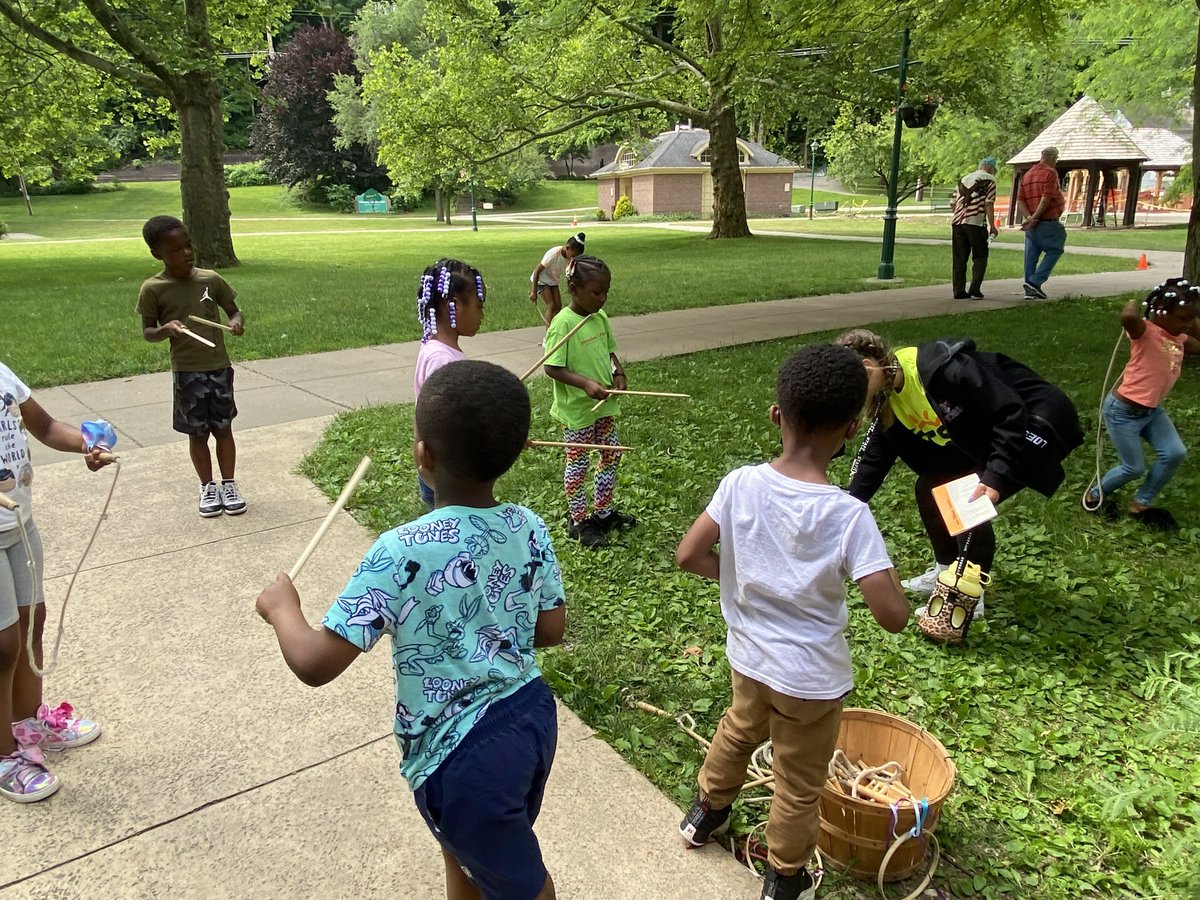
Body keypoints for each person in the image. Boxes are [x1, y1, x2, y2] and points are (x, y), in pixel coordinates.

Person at [256, 360, 566, 900]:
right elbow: (551, 627)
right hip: (530, 719)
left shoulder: (399, 550)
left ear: (423, 455)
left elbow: (315, 663)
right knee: (470, 853)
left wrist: (283, 608)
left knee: (523, 885)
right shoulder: (529, 526)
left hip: (460, 755)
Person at [675, 344, 909, 900]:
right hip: (811, 682)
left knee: (737, 731)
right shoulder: (849, 515)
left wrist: (739, 579)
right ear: (852, 428)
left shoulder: (739, 484)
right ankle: (783, 877)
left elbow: (688, 555)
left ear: (777, 415)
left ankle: (704, 815)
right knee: (799, 786)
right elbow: (893, 615)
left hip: (749, 660)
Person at [838, 329, 1082, 614]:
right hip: (992, 431)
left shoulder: (942, 370)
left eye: (849, 387)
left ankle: (967, 597)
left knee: (964, 499)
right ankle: (946, 572)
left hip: (1037, 420)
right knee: (930, 486)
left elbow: (1009, 411)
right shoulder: (887, 396)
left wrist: (995, 475)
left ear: (867, 369)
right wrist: (848, 505)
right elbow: (876, 456)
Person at [1, 363, 110, 803]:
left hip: (19, 523)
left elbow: (44, 425)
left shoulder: (3, 373)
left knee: (32, 622)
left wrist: (85, 443)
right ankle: (4, 755)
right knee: (1, 645)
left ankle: (26, 721)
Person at [137, 215, 247, 518]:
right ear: (157, 253)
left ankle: (229, 483)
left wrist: (235, 324)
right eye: (175, 250)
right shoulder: (153, 289)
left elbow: (235, 312)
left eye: (188, 246)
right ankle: (207, 486)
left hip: (219, 366)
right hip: (187, 371)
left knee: (223, 429)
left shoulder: (210, 279)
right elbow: (148, 331)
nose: (185, 253)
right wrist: (165, 330)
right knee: (197, 434)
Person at [1086, 279, 1200, 528]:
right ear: (1160, 311)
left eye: (1192, 318)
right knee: (1133, 467)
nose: (1188, 324)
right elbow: (1128, 317)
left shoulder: (1180, 339)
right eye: (1183, 317)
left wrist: (1190, 320)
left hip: (1151, 411)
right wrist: (1138, 301)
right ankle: (1095, 494)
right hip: (1123, 411)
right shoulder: (1145, 332)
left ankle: (1141, 503)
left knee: (1174, 453)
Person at [543, 255, 635, 548]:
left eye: (606, 291)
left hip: (604, 406)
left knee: (611, 454)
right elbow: (551, 367)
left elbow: (609, 352)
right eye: (596, 292)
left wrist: (618, 372)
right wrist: (584, 383)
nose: (602, 298)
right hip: (578, 412)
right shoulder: (562, 323)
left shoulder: (600, 317)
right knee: (579, 463)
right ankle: (579, 520)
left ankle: (604, 512)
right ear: (574, 289)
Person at [413, 258, 487, 509]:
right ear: (453, 305)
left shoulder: (435, 347)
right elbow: (447, 422)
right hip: (447, 476)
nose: (482, 315)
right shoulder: (442, 360)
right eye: (479, 306)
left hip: (442, 471)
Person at [1016, 147, 1066, 300]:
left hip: (1033, 224)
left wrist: (1029, 218)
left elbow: (1020, 200)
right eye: (1056, 159)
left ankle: (1029, 291)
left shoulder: (1028, 174)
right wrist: (1035, 218)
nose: (1056, 162)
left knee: (1031, 256)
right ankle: (1035, 282)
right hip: (1047, 221)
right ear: (1052, 158)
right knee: (1055, 249)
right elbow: (1046, 198)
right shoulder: (1050, 173)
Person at [951, 157, 999, 300]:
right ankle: (975, 288)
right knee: (980, 255)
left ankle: (958, 290)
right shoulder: (990, 180)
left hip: (958, 223)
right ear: (990, 168)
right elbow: (988, 204)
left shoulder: (964, 179)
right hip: (976, 222)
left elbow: (953, 204)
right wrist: (992, 226)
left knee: (959, 258)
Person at [529, 233, 585, 325]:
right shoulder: (554, 254)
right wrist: (533, 292)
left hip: (553, 281)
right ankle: (548, 337)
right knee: (551, 305)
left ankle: (556, 328)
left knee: (558, 306)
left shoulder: (569, 257)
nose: (573, 259)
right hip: (541, 280)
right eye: (573, 256)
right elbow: (537, 271)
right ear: (567, 247)